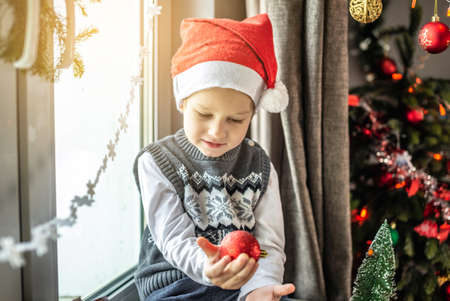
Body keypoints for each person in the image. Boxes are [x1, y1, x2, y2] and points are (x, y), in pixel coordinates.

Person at [133, 13, 295, 301]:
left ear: (252, 115)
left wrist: (260, 287)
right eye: (204, 114)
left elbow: (269, 241)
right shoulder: (157, 162)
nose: (217, 131)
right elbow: (174, 239)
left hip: (241, 287)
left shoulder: (259, 165)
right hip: (175, 286)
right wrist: (208, 267)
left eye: (235, 119)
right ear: (183, 101)